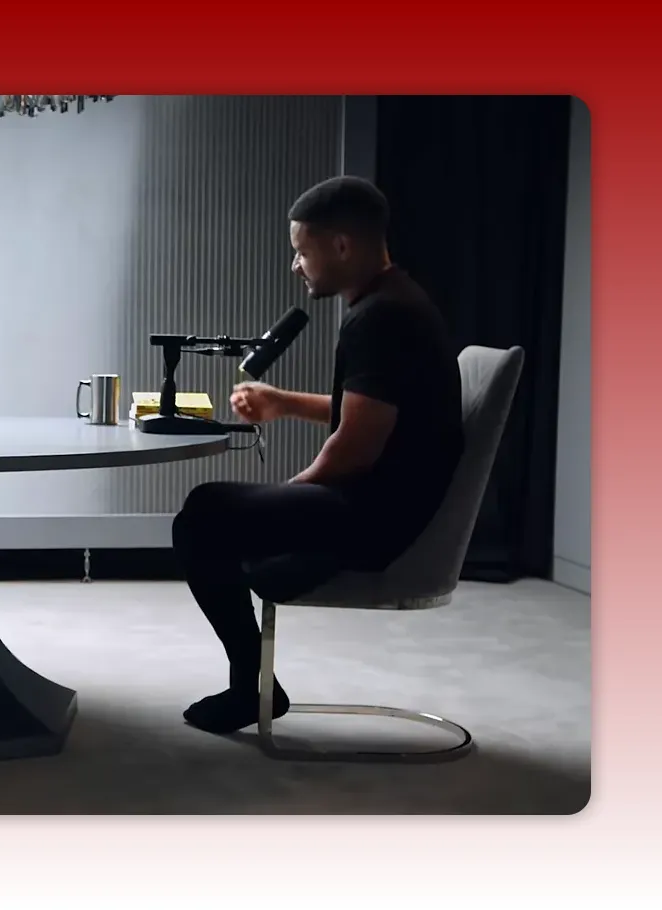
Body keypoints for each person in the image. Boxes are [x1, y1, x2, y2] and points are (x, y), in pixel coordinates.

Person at [172, 176, 463, 735]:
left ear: (342, 246)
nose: (296, 265)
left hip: (376, 519)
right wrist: (283, 403)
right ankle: (253, 683)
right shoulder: (395, 300)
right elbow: (371, 410)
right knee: (215, 517)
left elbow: (353, 450)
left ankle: (250, 688)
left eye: (302, 251)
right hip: (384, 504)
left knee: (205, 514)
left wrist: (290, 493)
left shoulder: (381, 318)